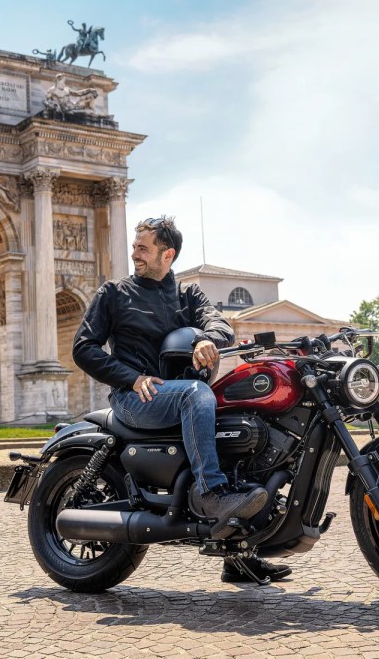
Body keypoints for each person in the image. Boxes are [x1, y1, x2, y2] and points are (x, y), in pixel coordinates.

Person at [72, 216, 290, 585]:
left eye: (143, 248)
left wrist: (208, 338)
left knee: (245, 425)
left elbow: (219, 324)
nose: (134, 254)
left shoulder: (189, 295)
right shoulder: (115, 293)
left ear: (167, 254)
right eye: (135, 247)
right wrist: (132, 377)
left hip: (184, 396)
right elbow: (83, 348)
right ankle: (211, 494)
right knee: (197, 394)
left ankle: (239, 552)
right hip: (137, 398)